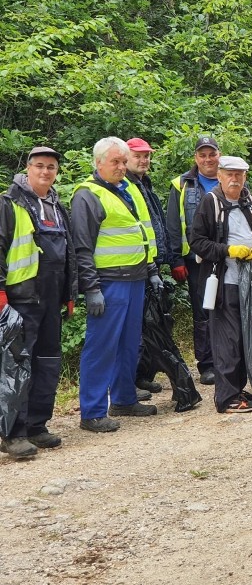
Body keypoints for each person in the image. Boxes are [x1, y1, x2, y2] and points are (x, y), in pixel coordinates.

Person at [71, 137, 162, 433]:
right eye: (115, 162)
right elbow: (82, 248)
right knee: (101, 346)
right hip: (109, 282)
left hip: (135, 278)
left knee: (129, 343)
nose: (122, 167)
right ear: (98, 163)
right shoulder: (88, 195)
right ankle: (93, 412)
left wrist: (150, 269)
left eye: (124, 162)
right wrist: (92, 288)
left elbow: (141, 232)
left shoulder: (127, 189)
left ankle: (123, 399)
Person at [0, 147, 77, 458]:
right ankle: (13, 433)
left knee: (48, 361)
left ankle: (37, 425)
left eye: (51, 167)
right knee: (18, 365)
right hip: (21, 297)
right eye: (40, 166)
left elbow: (69, 252)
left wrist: (70, 294)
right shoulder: (9, 203)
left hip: (52, 298)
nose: (45, 172)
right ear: (28, 169)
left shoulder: (57, 205)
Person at [189, 155, 252, 413]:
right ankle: (227, 398)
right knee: (228, 340)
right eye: (229, 174)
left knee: (247, 338)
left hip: (251, 281)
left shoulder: (250, 201)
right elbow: (197, 241)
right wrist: (227, 250)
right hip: (224, 282)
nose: (234, 179)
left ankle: (239, 389)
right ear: (220, 176)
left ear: (245, 176)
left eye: (239, 174)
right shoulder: (210, 202)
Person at [166, 135, 220, 385]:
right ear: (196, 158)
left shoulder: (231, 177)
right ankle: (207, 364)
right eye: (202, 154)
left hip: (227, 255)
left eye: (212, 154)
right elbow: (173, 224)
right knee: (203, 310)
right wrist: (176, 258)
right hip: (196, 259)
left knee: (228, 307)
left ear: (219, 155)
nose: (207, 159)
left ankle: (227, 358)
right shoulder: (182, 184)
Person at [125, 137, 175, 394]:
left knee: (154, 322)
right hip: (137, 265)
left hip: (153, 262)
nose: (143, 160)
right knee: (140, 324)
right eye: (138, 156)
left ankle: (143, 374)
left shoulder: (145, 183)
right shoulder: (125, 186)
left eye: (146, 156)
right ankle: (131, 380)